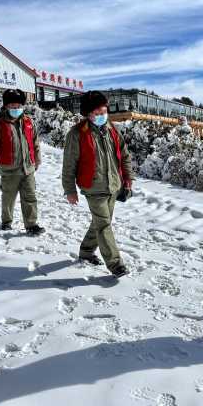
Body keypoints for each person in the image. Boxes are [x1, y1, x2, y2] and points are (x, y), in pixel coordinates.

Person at [61, 90, 133, 278]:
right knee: (104, 225)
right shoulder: (77, 133)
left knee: (100, 222)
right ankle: (115, 264)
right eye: (97, 113)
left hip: (113, 185)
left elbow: (124, 156)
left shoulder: (112, 129)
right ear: (88, 114)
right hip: (93, 187)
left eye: (104, 111)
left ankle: (86, 251)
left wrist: (128, 181)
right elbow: (69, 164)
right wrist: (69, 190)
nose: (102, 115)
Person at [0, 89, 44, 235]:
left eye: (18, 106)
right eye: (12, 106)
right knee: (8, 198)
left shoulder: (28, 122)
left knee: (30, 197)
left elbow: (35, 142)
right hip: (9, 169)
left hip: (28, 168)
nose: (16, 109)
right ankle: (6, 221)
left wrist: (37, 159)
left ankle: (31, 224)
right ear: (6, 106)